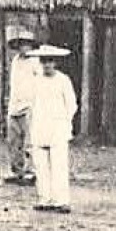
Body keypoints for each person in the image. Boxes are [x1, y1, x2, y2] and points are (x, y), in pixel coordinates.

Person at [28, 44, 76, 213]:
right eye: (44, 61)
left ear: (55, 63)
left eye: (50, 61)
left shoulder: (63, 80)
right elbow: (32, 104)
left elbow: (71, 105)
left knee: (59, 164)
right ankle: (45, 198)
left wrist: (64, 121)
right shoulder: (36, 80)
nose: (47, 65)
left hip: (58, 127)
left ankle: (61, 200)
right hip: (40, 125)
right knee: (41, 164)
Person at [4, 26, 39, 185]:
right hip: (14, 105)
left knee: (30, 141)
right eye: (21, 44)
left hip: (30, 105)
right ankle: (17, 171)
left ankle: (31, 171)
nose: (23, 47)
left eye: (27, 44)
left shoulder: (36, 61)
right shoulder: (15, 62)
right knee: (13, 141)